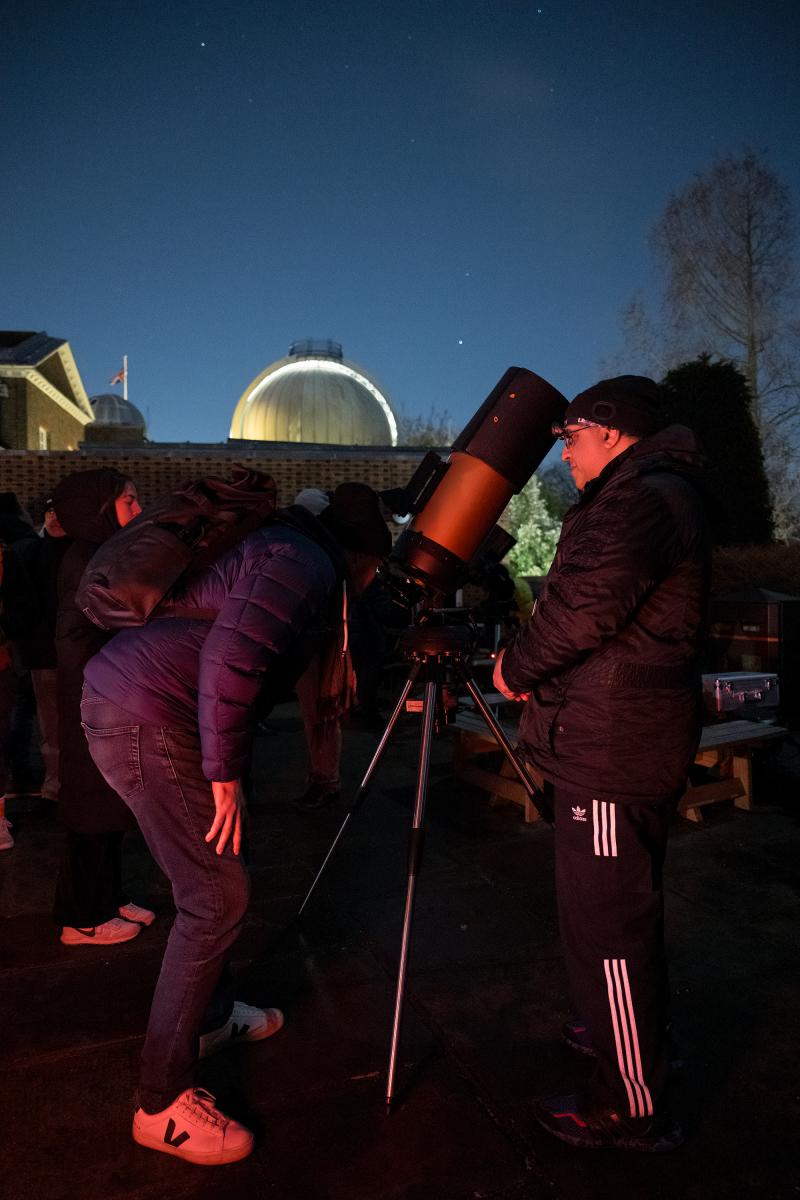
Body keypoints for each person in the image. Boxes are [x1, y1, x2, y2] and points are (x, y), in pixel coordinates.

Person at [81, 481, 391, 1165]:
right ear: (362, 557)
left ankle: (213, 1020)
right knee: (215, 896)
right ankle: (159, 1104)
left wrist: (224, 764)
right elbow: (231, 657)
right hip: (147, 715)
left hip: (155, 709)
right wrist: (223, 772)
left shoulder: (292, 550)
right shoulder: (301, 562)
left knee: (216, 882)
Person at [494, 376, 710, 1152]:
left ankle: (630, 1101)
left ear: (614, 433)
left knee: (607, 927)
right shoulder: (647, 491)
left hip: (615, 749)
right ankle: (625, 1038)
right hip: (615, 735)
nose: (563, 447)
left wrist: (515, 669)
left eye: (573, 432)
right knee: (610, 916)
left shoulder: (641, 498)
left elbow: (586, 608)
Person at [51, 469, 155, 946]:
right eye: (128, 501)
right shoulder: (86, 559)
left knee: (111, 804)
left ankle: (108, 897)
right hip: (92, 698)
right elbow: (79, 636)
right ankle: (81, 916)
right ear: (99, 508)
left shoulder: (105, 553)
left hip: (106, 692)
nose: (137, 509)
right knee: (90, 808)